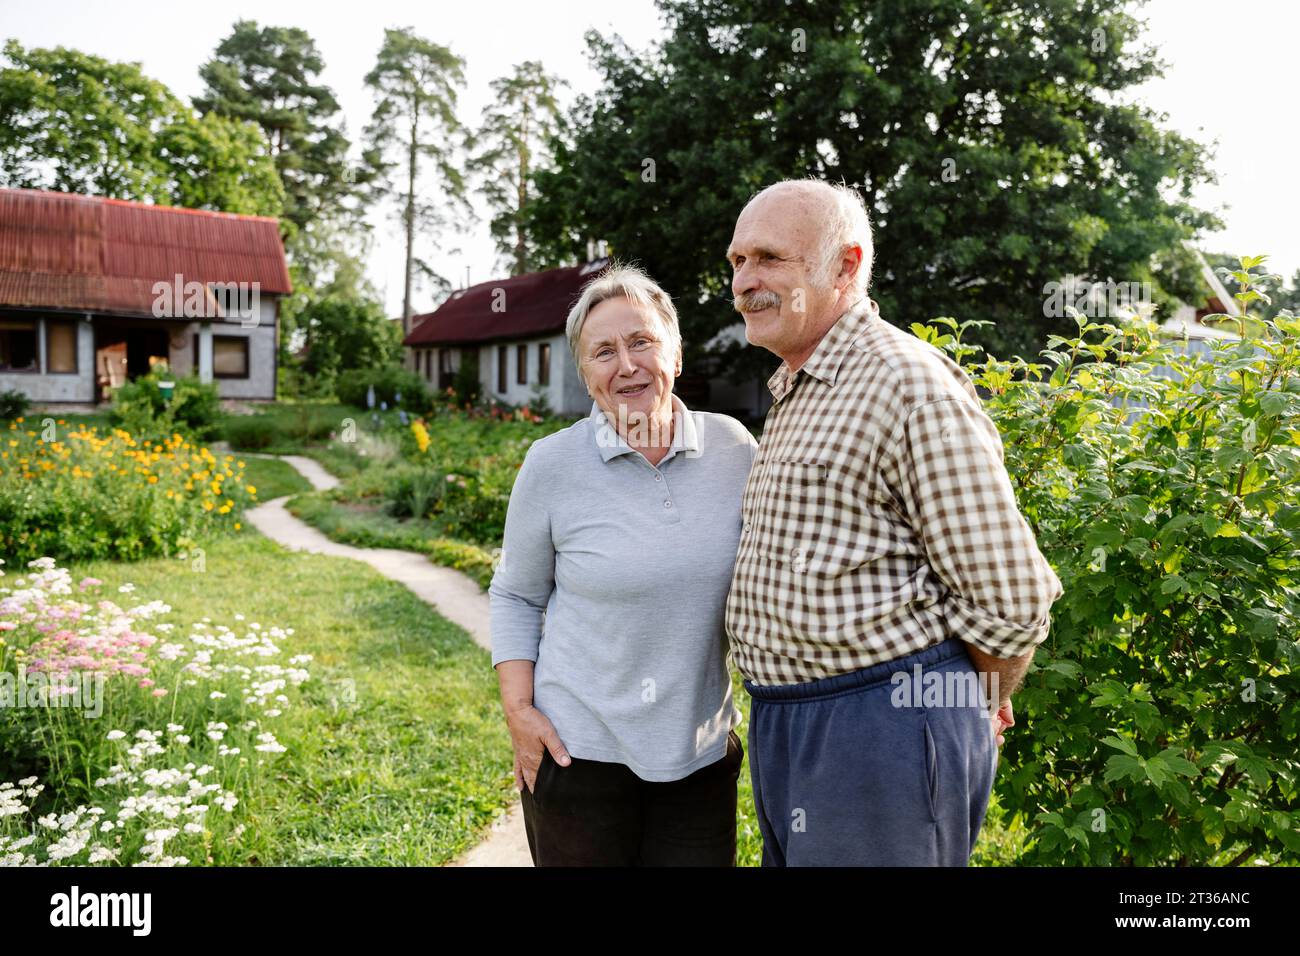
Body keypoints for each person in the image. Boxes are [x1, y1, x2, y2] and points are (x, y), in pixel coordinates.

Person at [724, 179, 1064, 866]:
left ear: (846, 266)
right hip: (793, 723)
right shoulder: (801, 384)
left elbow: (1013, 600)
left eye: (768, 259)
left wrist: (967, 699)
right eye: (736, 262)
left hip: (879, 729)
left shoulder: (906, 383)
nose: (744, 282)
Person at [489, 262, 757, 866]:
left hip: (699, 754)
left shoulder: (735, 450)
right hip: (577, 755)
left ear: (677, 355)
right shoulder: (552, 464)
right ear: (586, 376)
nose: (627, 365)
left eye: (642, 342)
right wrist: (520, 713)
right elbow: (516, 595)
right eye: (603, 352)